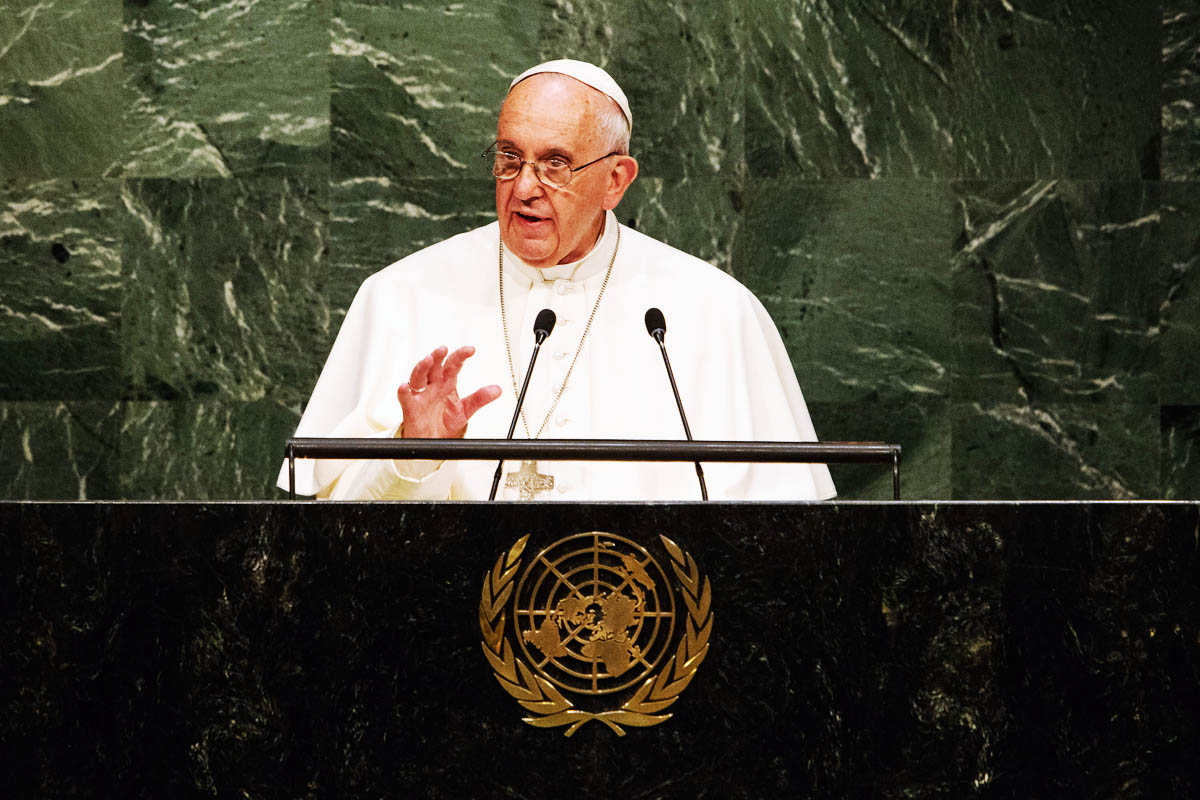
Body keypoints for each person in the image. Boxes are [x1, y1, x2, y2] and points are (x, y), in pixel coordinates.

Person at [276, 59, 835, 501]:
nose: (524, 187)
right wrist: (412, 453)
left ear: (616, 180)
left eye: (555, 164)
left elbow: (780, 536)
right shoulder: (400, 295)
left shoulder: (716, 311)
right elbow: (335, 531)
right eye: (510, 158)